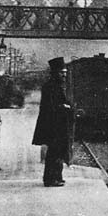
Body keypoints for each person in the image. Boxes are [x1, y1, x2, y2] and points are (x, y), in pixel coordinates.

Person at [31, 57, 75, 187]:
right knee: (53, 152)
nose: (64, 75)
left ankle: (57, 176)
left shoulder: (57, 86)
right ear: (55, 72)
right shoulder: (50, 87)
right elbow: (50, 107)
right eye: (62, 73)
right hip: (52, 125)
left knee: (59, 151)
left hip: (58, 124)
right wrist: (64, 107)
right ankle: (50, 179)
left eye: (65, 73)